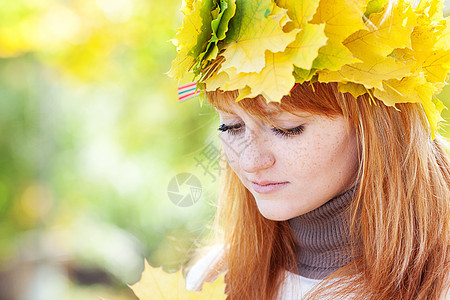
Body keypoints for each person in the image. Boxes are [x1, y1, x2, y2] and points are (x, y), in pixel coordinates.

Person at [169, 0, 450, 298]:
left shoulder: (439, 285)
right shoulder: (213, 280)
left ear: (374, 126)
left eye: (287, 128)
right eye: (231, 126)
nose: (251, 161)